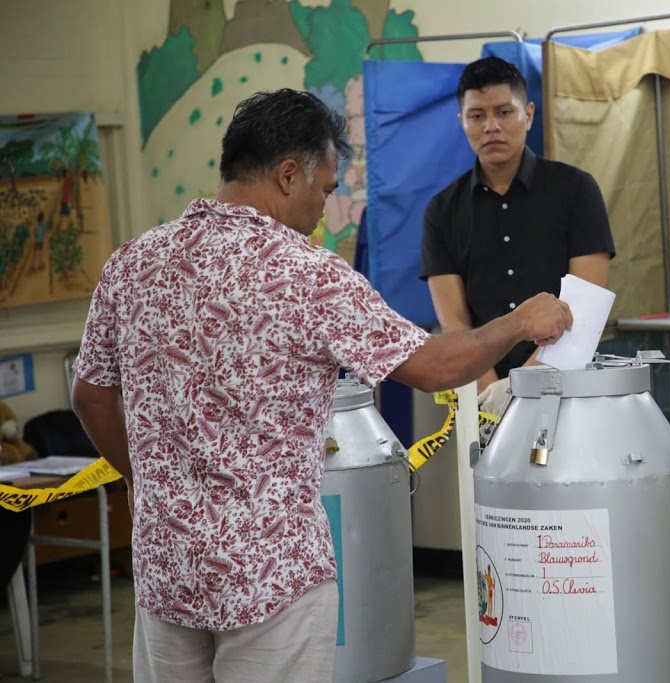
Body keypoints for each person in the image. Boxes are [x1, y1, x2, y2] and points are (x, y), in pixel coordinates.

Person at [70, 88, 571, 683]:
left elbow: (90, 395)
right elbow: (433, 366)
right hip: (270, 573)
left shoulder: (134, 262)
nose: (321, 212)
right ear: (288, 175)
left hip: (166, 565)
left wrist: (147, 481)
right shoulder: (305, 274)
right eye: (326, 190)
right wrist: (518, 322)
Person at [420, 57, 615, 413]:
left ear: (528, 113)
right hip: (482, 395)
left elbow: (586, 306)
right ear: (461, 121)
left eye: (504, 112)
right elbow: (455, 324)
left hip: (569, 388)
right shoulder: (441, 211)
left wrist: (521, 388)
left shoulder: (576, 191)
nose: (491, 126)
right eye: (477, 115)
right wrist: (492, 392)